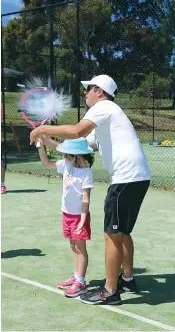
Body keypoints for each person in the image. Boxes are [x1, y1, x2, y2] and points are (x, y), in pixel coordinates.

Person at [30, 74, 151, 305]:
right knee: (123, 231)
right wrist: (47, 140)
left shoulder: (104, 106)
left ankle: (109, 291)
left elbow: (77, 131)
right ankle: (127, 279)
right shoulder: (106, 117)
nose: (85, 92)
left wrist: (42, 127)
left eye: (90, 88)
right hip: (138, 177)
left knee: (112, 234)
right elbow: (78, 146)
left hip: (126, 178)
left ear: (101, 92)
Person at [38, 136, 94, 298]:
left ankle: (81, 282)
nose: (63, 156)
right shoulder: (66, 164)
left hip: (78, 217)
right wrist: (40, 146)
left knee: (81, 248)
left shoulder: (86, 173)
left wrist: (83, 220)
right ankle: (76, 276)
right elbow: (46, 164)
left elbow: (85, 199)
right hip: (67, 214)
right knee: (73, 246)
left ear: (76, 155)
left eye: (66, 153)